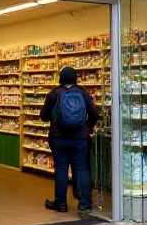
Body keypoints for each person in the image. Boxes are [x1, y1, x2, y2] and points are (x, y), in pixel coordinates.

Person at [40, 67, 101, 216]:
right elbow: (95, 114)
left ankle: (61, 203)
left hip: (58, 138)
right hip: (79, 138)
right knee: (81, 169)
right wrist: (88, 126)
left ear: (61, 78)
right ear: (75, 78)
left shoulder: (54, 93)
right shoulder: (83, 93)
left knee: (61, 169)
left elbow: (44, 116)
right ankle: (84, 205)